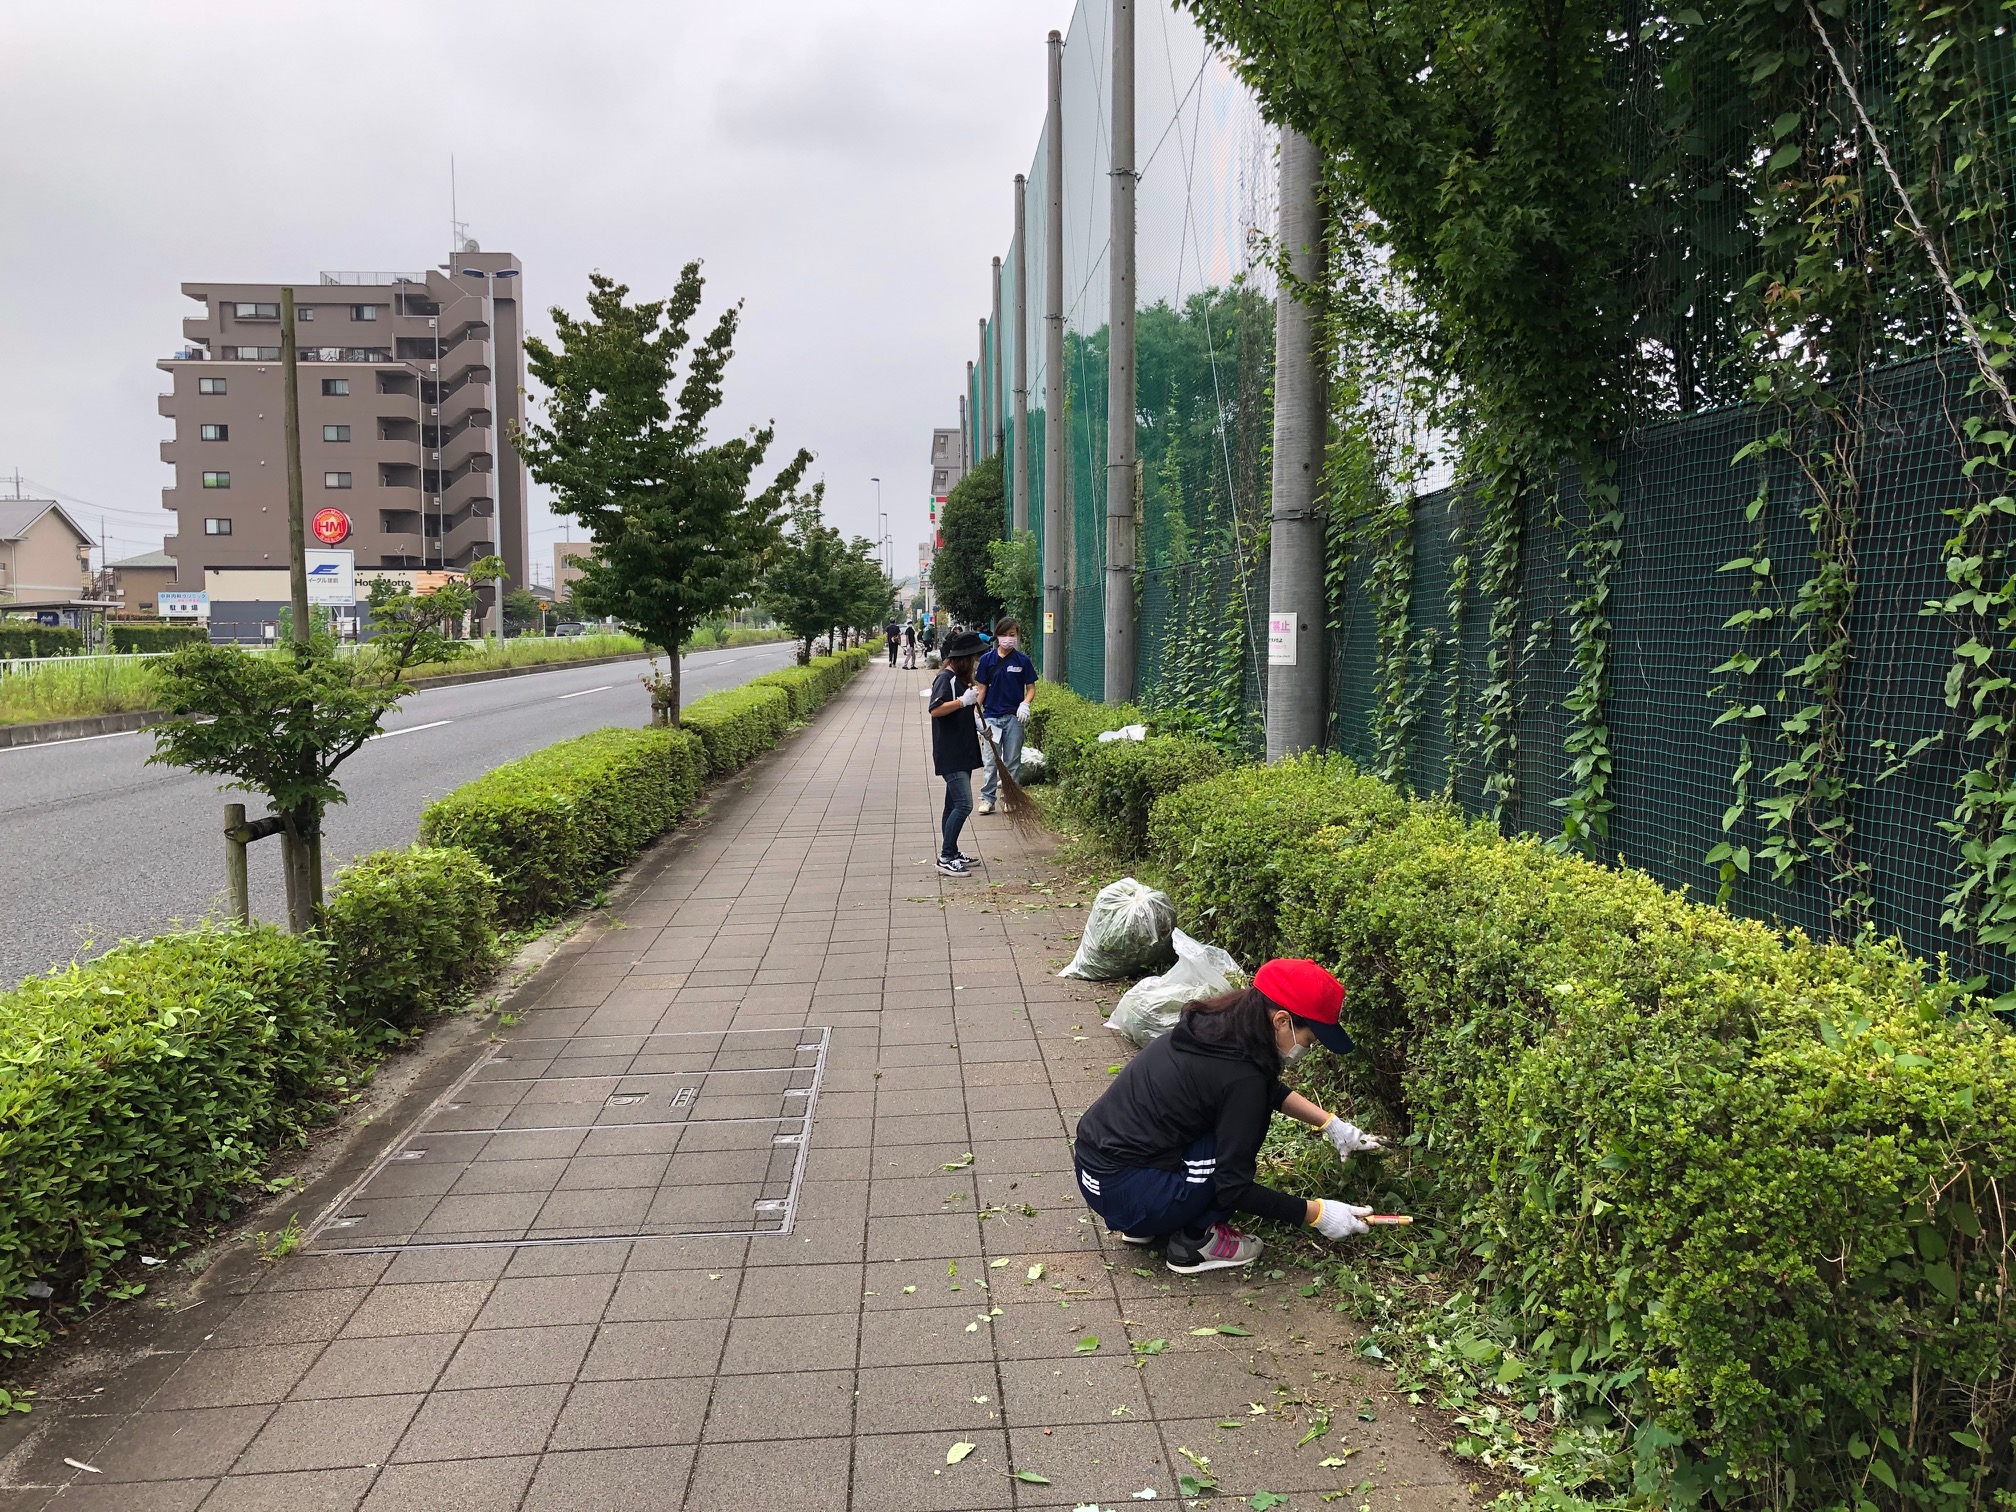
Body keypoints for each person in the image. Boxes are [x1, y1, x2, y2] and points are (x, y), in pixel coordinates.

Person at [1072, 958, 1384, 1274]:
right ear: (1281, 1021)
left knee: (1231, 1121)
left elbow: (1266, 1089)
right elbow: (1233, 1188)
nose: (1309, 1048)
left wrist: (1330, 1123)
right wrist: (1318, 1214)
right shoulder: (1243, 1080)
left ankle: (1150, 1217)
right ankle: (1195, 1242)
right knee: (1239, 1137)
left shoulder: (1215, 1029)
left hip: (1096, 1171)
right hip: (1125, 1192)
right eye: (1310, 1040)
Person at [925, 629, 987, 876]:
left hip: (963, 749)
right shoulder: (945, 679)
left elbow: (964, 710)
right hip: (950, 751)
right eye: (972, 658)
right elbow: (936, 709)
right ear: (962, 658)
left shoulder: (960, 680)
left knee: (952, 805)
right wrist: (962, 701)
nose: (974, 663)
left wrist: (977, 722)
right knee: (964, 804)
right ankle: (946, 856)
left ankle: (951, 850)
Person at [973, 617, 1038, 815]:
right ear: (997, 636)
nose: (1008, 639)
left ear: (1017, 637)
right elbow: (981, 689)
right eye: (1004, 635)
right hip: (992, 717)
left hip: (1014, 718)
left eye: (1012, 635)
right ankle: (987, 798)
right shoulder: (987, 660)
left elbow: (1031, 688)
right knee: (991, 760)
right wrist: (976, 712)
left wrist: (1025, 704)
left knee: (1012, 761)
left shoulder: (1022, 661)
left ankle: (1010, 797)